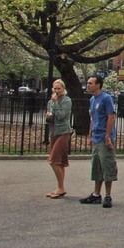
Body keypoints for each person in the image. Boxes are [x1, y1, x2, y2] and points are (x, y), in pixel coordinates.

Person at [79, 76, 118, 208]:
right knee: (97, 167)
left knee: (107, 166)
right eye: (88, 83)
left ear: (98, 85)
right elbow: (93, 118)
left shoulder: (106, 98)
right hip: (96, 136)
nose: (88, 85)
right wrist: (90, 134)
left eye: (90, 83)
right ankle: (96, 194)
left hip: (104, 137)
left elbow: (111, 117)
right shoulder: (92, 99)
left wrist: (107, 135)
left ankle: (108, 195)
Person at [45, 79, 72, 199]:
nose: (56, 91)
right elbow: (50, 115)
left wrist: (56, 104)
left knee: (53, 160)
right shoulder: (50, 101)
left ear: (63, 89)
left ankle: (61, 187)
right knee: (59, 162)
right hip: (54, 131)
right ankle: (60, 187)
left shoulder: (67, 100)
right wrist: (48, 116)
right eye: (54, 88)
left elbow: (62, 116)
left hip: (63, 132)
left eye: (58, 88)